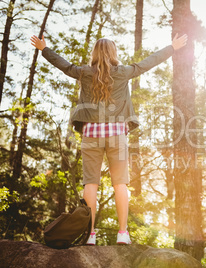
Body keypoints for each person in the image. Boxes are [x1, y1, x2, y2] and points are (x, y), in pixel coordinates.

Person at [30, 33, 187, 245]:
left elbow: (65, 66)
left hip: (91, 135)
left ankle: (90, 235)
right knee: (120, 184)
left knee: (91, 185)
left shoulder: (84, 72)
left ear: (95, 54)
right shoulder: (123, 72)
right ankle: (123, 233)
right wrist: (172, 48)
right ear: (114, 54)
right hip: (116, 136)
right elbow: (148, 62)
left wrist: (44, 49)